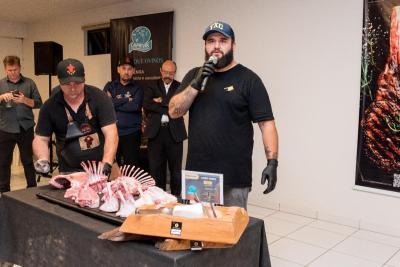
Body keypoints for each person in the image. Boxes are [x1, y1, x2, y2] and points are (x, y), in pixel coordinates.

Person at [169, 21, 279, 209]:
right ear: (205, 46)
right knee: (198, 233)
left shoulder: (249, 79)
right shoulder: (194, 75)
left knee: (230, 235)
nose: (216, 46)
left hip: (233, 177)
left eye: (223, 40)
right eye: (211, 41)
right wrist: (196, 83)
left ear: (233, 45)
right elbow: (174, 111)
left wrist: (273, 162)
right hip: (199, 175)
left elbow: (266, 124)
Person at [33, 58, 118, 175]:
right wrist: (43, 159)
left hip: (103, 165)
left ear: (84, 79)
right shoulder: (50, 106)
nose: (72, 88)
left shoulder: (100, 97)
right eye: (67, 84)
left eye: (77, 83)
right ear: (59, 81)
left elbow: (111, 133)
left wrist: (107, 162)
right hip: (69, 170)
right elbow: (41, 138)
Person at [143, 60, 187, 196]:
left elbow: (182, 108)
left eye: (171, 73)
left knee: (176, 170)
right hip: (156, 133)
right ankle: (158, 197)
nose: (168, 75)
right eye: (166, 72)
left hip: (174, 133)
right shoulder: (151, 85)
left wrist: (160, 102)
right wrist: (170, 106)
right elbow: (147, 104)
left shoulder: (181, 87)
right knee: (156, 168)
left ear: (175, 73)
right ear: (161, 71)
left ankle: (176, 198)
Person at [0, 55, 43, 193]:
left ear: (20, 68)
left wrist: (24, 100)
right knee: (4, 162)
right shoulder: (1, 84)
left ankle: (31, 189)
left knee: (28, 161)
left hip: (26, 128)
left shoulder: (29, 83)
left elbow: (38, 103)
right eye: (9, 70)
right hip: (5, 128)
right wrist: (1, 97)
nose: (12, 73)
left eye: (15, 69)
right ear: (5, 69)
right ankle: (4, 192)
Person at [103, 55, 143, 167]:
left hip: (132, 134)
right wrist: (126, 99)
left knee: (132, 168)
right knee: (112, 167)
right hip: (112, 133)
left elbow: (135, 106)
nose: (126, 71)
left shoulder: (138, 88)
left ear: (134, 71)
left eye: (130, 69)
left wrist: (114, 101)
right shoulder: (110, 86)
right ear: (118, 69)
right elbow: (106, 106)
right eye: (124, 68)